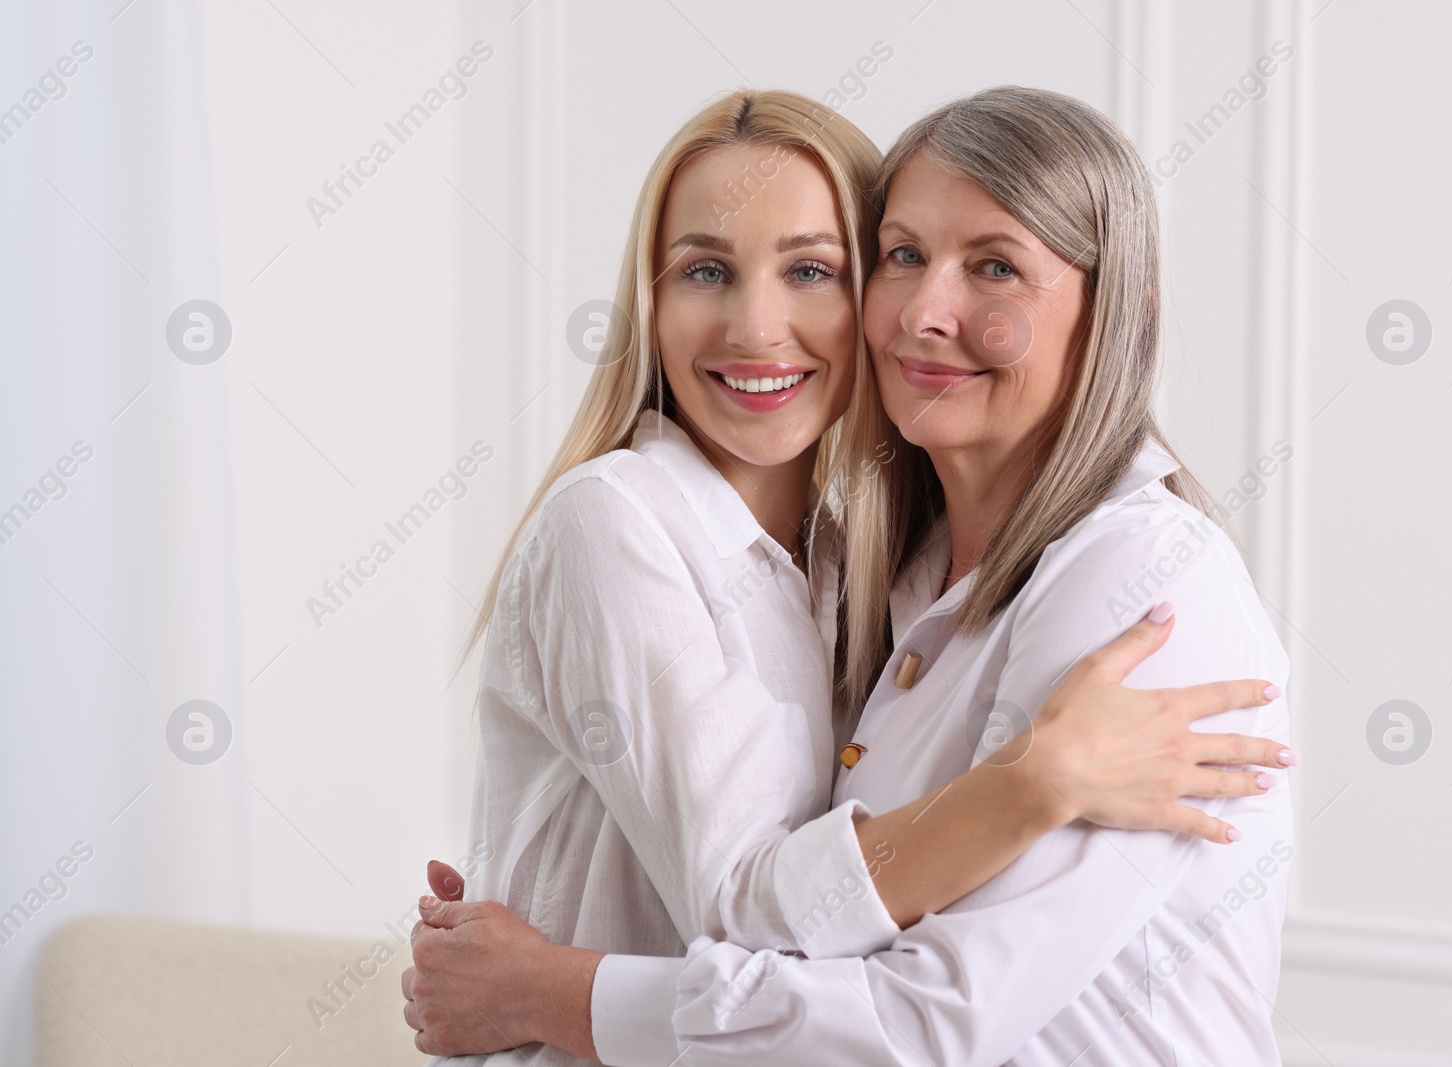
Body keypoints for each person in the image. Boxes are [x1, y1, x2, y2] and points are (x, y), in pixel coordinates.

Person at [405, 87, 1293, 1064]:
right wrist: (1022, 785)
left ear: (1117, 311)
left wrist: (547, 988)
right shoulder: (831, 570)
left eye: (994, 265)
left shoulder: (1140, 581)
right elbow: (772, 912)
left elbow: (913, 1019)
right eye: (904, 256)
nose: (924, 310)